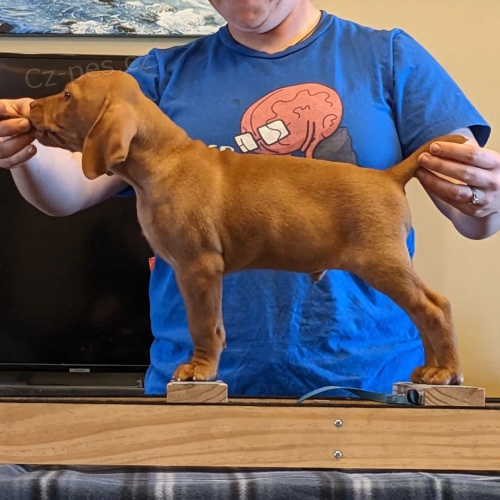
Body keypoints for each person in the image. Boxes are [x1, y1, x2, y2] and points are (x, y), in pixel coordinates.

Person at [1, 0, 499, 397]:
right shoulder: (159, 73)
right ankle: (205, 354)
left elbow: (471, 207)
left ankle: (444, 357)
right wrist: (24, 148)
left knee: (403, 284)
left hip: (369, 382)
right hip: (199, 393)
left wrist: (484, 195)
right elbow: (71, 188)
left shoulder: (388, 55)